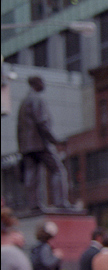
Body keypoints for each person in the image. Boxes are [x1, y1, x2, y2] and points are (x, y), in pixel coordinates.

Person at [16, 76, 70, 211]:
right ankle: (60, 203)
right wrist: (55, 140)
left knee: (31, 174)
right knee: (58, 170)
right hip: (40, 144)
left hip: (27, 147)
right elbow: (42, 123)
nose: (44, 84)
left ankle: (33, 204)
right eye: (42, 82)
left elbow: (19, 128)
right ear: (37, 83)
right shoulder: (37, 100)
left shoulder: (24, 102)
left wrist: (21, 148)